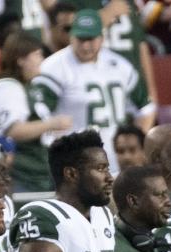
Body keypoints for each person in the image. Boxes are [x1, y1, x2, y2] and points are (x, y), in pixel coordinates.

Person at [31, 9, 153, 177]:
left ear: (102, 38)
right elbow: (39, 112)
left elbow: (146, 107)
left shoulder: (119, 64)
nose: (85, 45)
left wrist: (134, 143)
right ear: (71, 37)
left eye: (91, 39)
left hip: (117, 159)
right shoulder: (54, 68)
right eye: (80, 39)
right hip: (77, 161)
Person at [0, 31, 70, 193]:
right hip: (21, 176)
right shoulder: (7, 88)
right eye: (37, 55)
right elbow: (13, 130)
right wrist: (52, 123)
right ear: (20, 59)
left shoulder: (30, 87)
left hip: (41, 174)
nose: (41, 60)